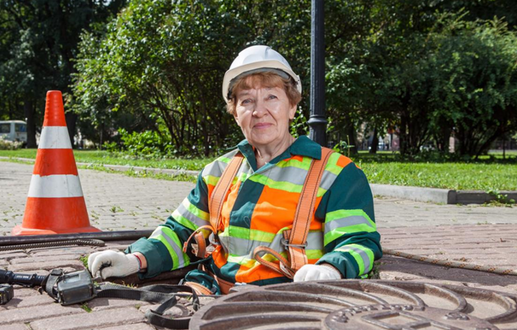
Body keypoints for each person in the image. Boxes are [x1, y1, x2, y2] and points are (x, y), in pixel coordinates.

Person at [89, 45, 381, 294]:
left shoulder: (338, 173)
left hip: (287, 303)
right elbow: (181, 232)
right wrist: (136, 259)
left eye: (271, 97)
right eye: (247, 101)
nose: (259, 110)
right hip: (207, 292)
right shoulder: (218, 171)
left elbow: (359, 243)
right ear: (235, 113)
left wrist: (331, 268)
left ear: (292, 107)